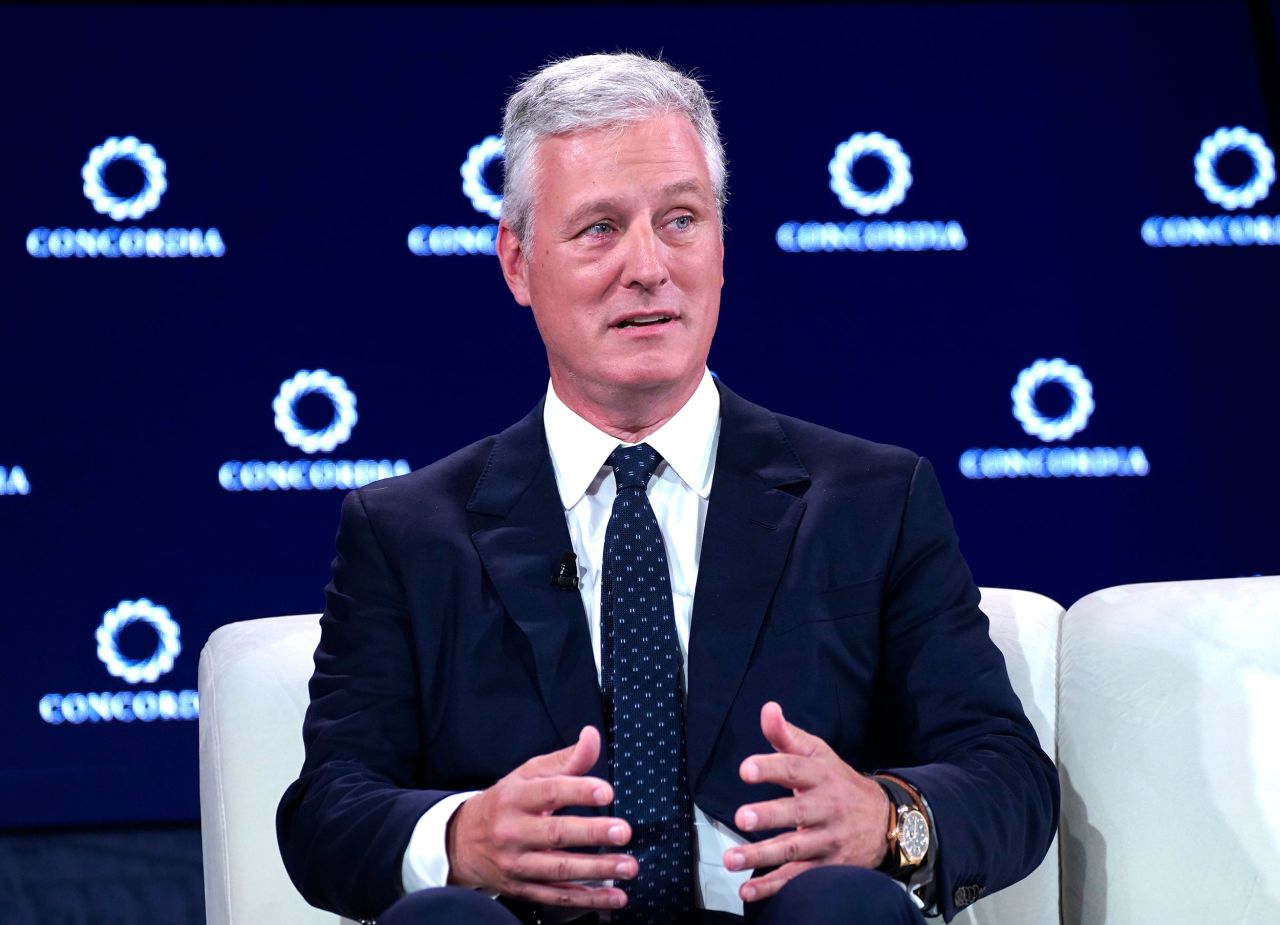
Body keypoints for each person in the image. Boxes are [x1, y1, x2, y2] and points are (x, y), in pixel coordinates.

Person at [277, 52, 1058, 925]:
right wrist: (459, 837)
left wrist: (888, 818)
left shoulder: (875, 499)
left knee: (847, 908)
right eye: (599, 229)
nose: (648, 266)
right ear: (516, 263)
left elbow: (1009, 775)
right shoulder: (407, 532)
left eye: (680, 219)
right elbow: (327, 811)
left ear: (721, 247)